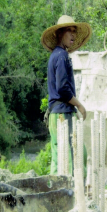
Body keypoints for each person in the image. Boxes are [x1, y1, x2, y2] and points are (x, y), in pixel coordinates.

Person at [41, 15, 92, 175]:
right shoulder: (62, 56)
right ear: (60, 34)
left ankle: (54, 193)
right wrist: (79, 105)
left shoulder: (55, 55)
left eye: (74, 31)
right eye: (69, 31)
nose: (73, 35)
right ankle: (73, 195)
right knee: (73, 157)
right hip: (62, 114)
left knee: (59, 158)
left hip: (56, 115)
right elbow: (63, 89)